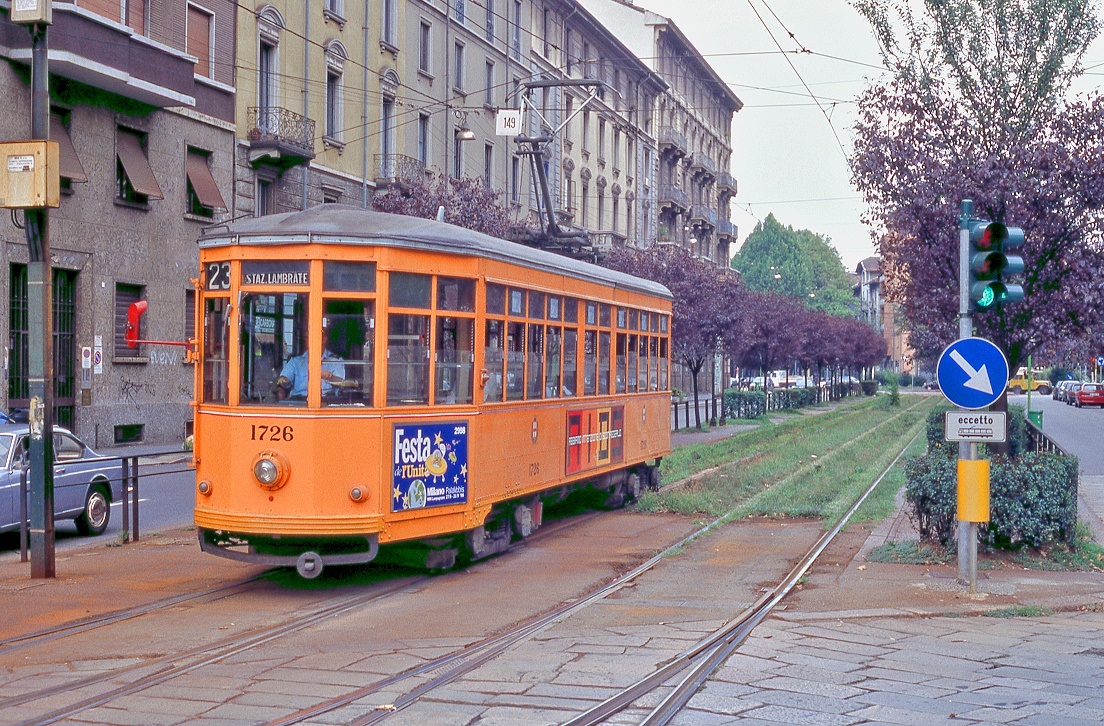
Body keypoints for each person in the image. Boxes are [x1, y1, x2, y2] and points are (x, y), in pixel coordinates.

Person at [275, 327, 346, 400]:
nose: (309, 340)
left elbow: (342, 383)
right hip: (298, 403)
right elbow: (284, 379)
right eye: (307, 337)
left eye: (313, 337)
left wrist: (330, 377)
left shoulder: (335, 361)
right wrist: (283, 380)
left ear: (324, 339)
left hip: (326, 402)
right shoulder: (295, 361)